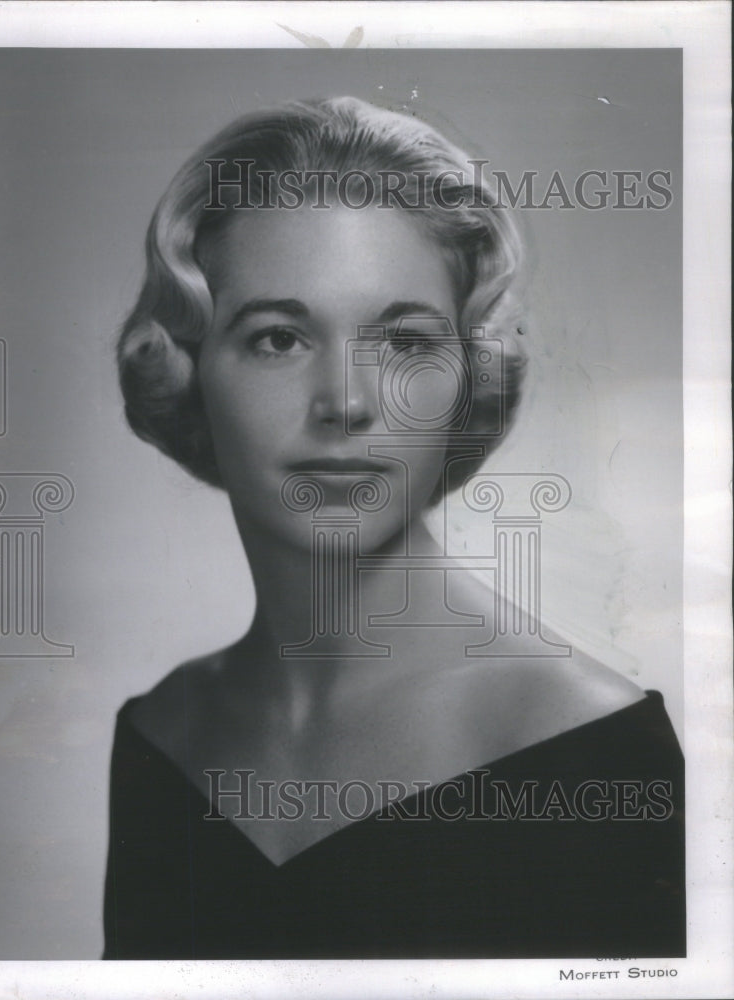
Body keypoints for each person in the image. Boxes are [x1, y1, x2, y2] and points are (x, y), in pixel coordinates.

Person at [103, 97, 684, 959]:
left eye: (406, 343)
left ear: (468, 376)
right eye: (277, 338)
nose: (346, 403)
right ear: (187, 371)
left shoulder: (592, 752)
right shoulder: (162, 734)